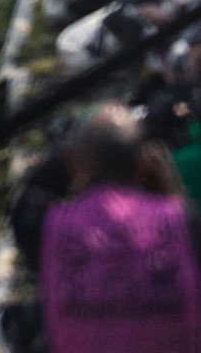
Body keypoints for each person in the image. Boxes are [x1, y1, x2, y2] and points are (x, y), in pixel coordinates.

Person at [40, 105, 201, 353]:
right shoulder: (177, 219)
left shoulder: (56, 224)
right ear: (143, 164)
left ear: (76, 164)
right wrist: (172, 188)